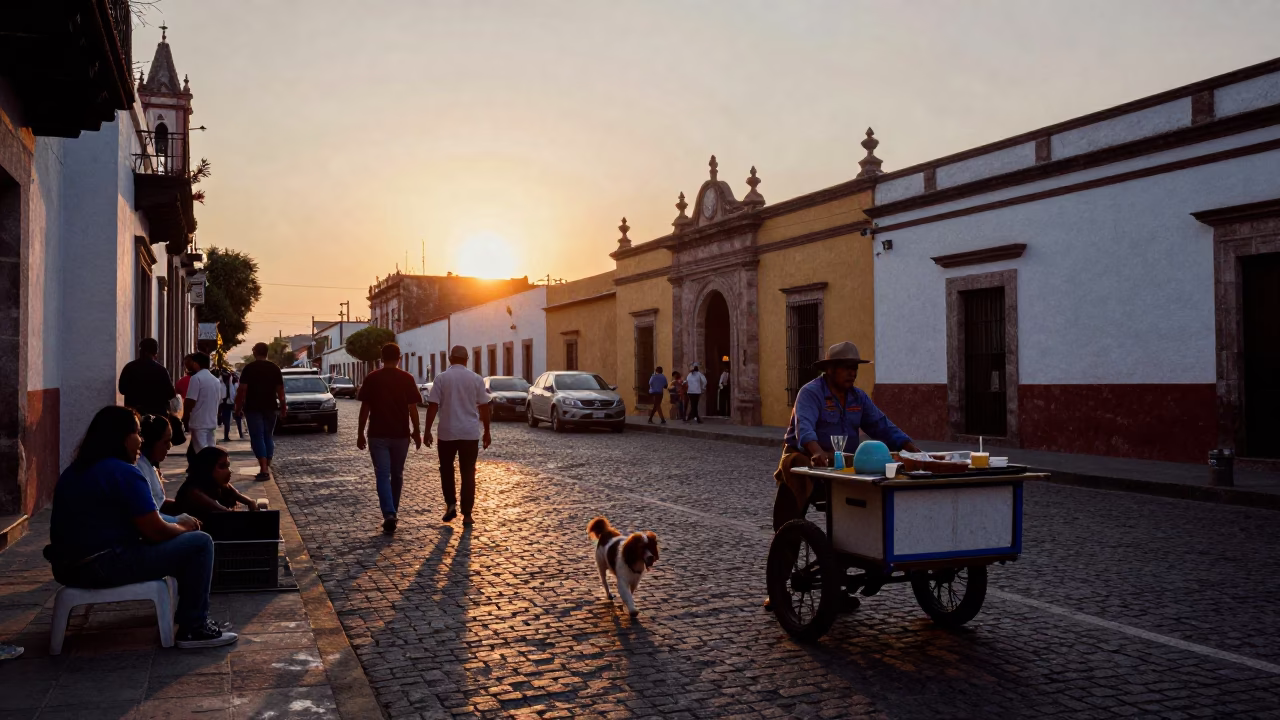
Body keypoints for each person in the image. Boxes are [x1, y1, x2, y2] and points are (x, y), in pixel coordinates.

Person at [46, 406, 237, 648]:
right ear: (121, 437)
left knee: (183, 541)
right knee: (200, 544)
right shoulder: (124, 472)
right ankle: (194, 628)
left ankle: (186, 613)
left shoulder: (76, 470)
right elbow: (154, 530)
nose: (142, 440)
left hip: (66, 568)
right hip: (102, 565)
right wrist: (184, 527)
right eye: (137, 433)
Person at [778, 341, 921, 528]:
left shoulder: (858, 397)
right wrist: (816, 452)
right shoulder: (810, 393)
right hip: (808, 459)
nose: (852, 373)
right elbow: (804, 428)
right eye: (846, 369)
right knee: (790, 514)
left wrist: (913, 450)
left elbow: (882, 425)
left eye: (854, 369)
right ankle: (788, 542)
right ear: (830, 369)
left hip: (843, 462)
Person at [355, 343, 422, 533]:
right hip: (400, 435)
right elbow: (413, 408)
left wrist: (360, 433)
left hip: (377, 434)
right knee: (397, 474)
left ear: (381, 358)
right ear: (399, 358)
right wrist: (416, 431)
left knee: (383, 475)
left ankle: (389, 513)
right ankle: (393, 511)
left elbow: (365, 409)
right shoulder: (407, 378)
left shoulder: (372, 378)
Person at [424, 345, 491, 527]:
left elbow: (433, 406)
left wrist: (427, 430)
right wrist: (487, 431)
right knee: (468, 472)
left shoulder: (441, 378)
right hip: (469, 433)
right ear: (466, 359)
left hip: (447, 432)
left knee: (446, 470)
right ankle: (467, 514)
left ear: (450, 359)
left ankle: (450, 504)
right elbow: (484, 406)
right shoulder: (476, 379)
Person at [236, 343, 286, 481]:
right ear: (267, 353)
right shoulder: (274, 368)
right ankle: (266, 467)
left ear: (254, 352)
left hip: (253, 408)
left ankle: (263, 469)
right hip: (271, 407)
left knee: (257, 437)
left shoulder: (249, 369)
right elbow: (280, 391)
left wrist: (238, 408)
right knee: (268, 436)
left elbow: (242, 390)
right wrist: (283, 408)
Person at [175, 447, 259, 521]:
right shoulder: (194, 492)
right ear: (207, 469)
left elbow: (247, 500)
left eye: (228, 466)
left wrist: (251, 504)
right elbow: (224, 512)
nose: (229, 471)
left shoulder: (219, 484)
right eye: (222, 467)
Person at [137, 414, 181, 519]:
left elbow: (160, 502)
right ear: (151, 442)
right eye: (165, 442)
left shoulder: (151, 466)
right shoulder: (139, 469)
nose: (169, 446)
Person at [118, 338, 176, 417]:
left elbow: (122, 389)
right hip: (157, 415)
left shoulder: (129, 367)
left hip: (135, 414)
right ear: (155, 352)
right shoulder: (161, 370)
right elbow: (171, 394)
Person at [183, 353, 223, 454]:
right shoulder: (216, 381)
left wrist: (185, 417)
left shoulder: (196, 378)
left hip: (199, 423)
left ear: (196, 363)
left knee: (202, 453)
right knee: (210, 450)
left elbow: (190, 401)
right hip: (211, 421)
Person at [218, 369, 243, 441]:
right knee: (228, 420)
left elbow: (237, 393)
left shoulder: (233, 382)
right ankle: (228, 436)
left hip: (230, 402)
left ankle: (239, 434)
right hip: (226, 403)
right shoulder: (222, 381)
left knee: (234, 419)